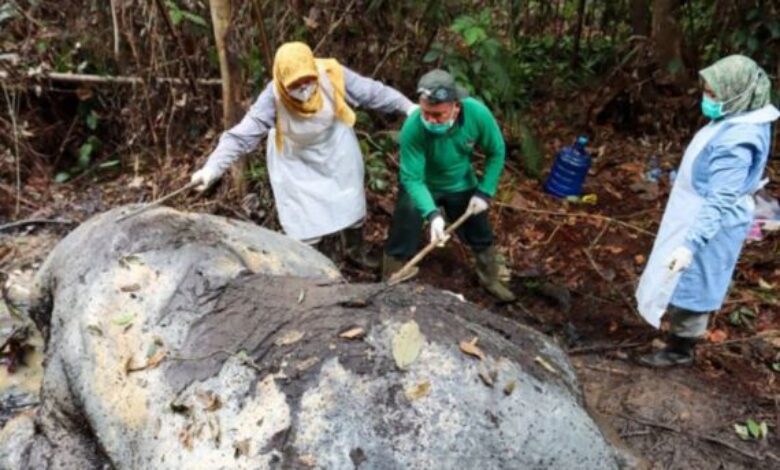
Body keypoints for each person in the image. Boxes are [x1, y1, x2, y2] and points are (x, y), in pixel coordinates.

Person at [191, 42, 415, 268]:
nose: (304, 88)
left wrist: (408, 107)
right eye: (295, 84)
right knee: (304, 221)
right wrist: (212, 168)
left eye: (308, 80)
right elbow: (241, 136)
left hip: (335, 146)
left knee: (350, 200)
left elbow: (373, 93)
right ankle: (311, 264)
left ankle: (354, 249)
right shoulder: (273, 97)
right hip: (295, 158)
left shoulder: (331, 74)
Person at [635, 55, 779, 367]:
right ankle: (673, 330)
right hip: (694, 210)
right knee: (679, 276)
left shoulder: (739, 140)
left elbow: (720, 199)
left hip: (710, 223)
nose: (708, 99)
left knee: (694, 280)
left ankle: (680, 349)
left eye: (714, 94)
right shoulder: (742, 116)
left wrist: (691, 244)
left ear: (737, 93)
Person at [382, 69, 515, 302]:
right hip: (422, 185)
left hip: (460, 182)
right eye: (426, 113)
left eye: (438, 114)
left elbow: (496, 151)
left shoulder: (477, 114)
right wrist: (432, 214)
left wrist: (485, 192)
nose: (431, 120)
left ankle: (490, 277)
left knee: (478, 230)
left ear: (456, 106)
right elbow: (412, 178)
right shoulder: (413, 127)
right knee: (404, 226)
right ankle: (391, 277)